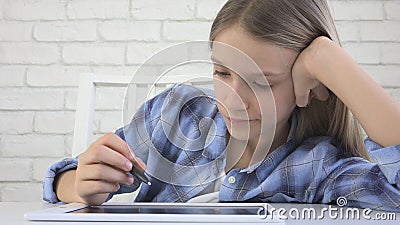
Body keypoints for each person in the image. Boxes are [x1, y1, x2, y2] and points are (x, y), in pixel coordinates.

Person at [43, 0, 400, 212]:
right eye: (222, 72)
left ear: (310, 85)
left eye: (262, 82)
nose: (234, 100)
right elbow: (67, 180)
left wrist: (329, 61)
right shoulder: (176, 114)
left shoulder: (319, 167)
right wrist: (78, 185)